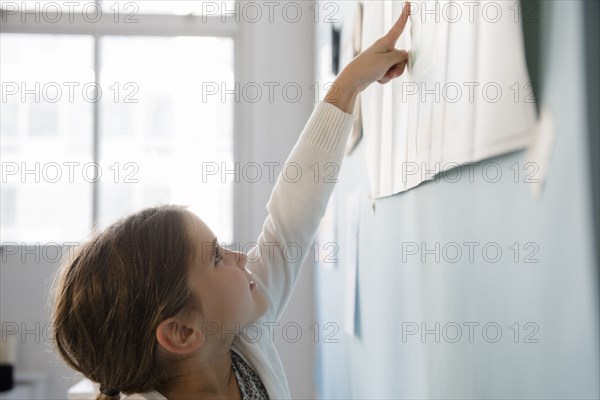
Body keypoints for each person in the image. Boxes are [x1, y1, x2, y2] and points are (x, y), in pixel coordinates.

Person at [50, 3, 411, 399]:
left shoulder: (239, 336)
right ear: (183, 332)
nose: (240, 256)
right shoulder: (237, 326)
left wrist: (348, 85)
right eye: (216, 258)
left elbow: (290, 218)